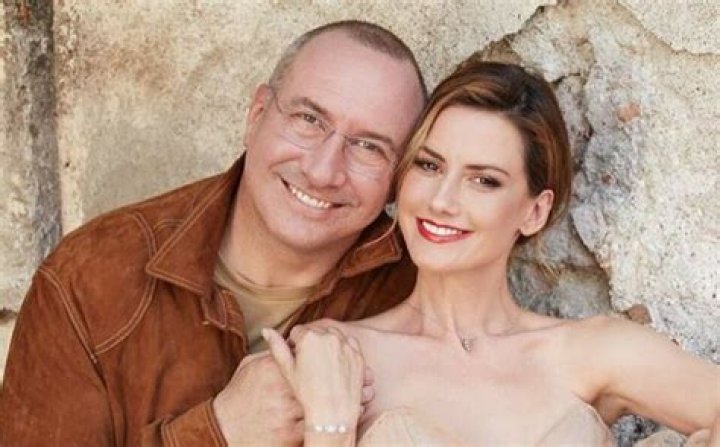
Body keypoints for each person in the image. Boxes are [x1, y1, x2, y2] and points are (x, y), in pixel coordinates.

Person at [0, 20, 427, 446]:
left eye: (369, 146)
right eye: (309, 119)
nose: (323, 171)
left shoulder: (419, 292)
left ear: (400, 177)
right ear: (256, 115)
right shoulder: (87, 279)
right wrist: (218, 431)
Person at [264, 58, 720, 446]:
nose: (442, 200)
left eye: (484, 180)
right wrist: (329, 430)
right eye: (429, 165)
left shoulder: (593, 353)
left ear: (534, 212)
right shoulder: (330, 356)